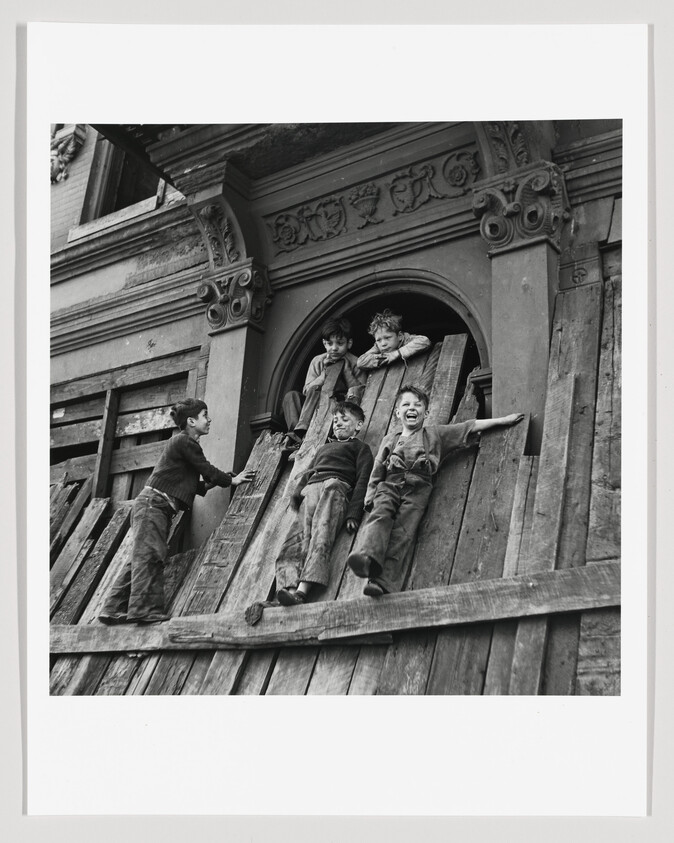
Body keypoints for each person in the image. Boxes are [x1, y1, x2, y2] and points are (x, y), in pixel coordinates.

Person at [347, 385, 524, 597]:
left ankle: (380, 582)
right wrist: (370, 495)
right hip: (391, 484)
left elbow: (468, 426)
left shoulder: (436, 434)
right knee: (380, 514)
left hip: (418, 489)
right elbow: (378, 469)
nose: (411, 408)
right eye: (406, 404)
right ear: (397, 412)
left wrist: (503, 420)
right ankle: (368, 557)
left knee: (403, 533)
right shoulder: (390, 439)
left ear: (426, 412)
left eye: (417, 405)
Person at [98, 399, 256, 625]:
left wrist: (214, 482)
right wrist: (231, 480)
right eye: (205, 415)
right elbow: (207, 469)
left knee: (142, 556)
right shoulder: (185, 442)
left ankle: (113, 607)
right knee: (151, 555)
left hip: (153, 506)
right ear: (191, 421)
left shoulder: (183, 446)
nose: (209, 419)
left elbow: (192, 485)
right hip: (154, 506)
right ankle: (145, 611)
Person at [275, 401, 374, 606]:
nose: (337, 424)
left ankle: (303, 589)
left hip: (335, 487)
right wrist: (297, 494)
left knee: (322, 533)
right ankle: (290, 589)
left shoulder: (360, 448)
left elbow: (363, 480)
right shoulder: (324, 448)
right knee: (296, 536)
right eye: (335, 420)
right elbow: (309, 472)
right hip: (312, 489)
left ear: (358, 425)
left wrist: (353, 513)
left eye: (344, 420)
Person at [281, 317, 366, 453]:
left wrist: (346, 371)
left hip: (338, 409)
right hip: (313, 407)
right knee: (291, 397)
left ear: (349, 343)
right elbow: (307, 390)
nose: (334, 348)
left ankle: (330, 435)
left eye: (340, 343)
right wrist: (323, 375)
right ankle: (298, 434)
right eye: (329, 343)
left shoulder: (356, 362)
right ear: (324, 343)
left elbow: (361, 392)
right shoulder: (318, 361)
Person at [356, 308, 431, 370]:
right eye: (378, 340)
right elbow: (361, 362)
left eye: (387, 337)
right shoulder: (378, 346)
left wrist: (397, 354)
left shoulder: (406, 339)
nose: (383, 343)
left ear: (400, 336)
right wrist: (382, 359)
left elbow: (424, 341)